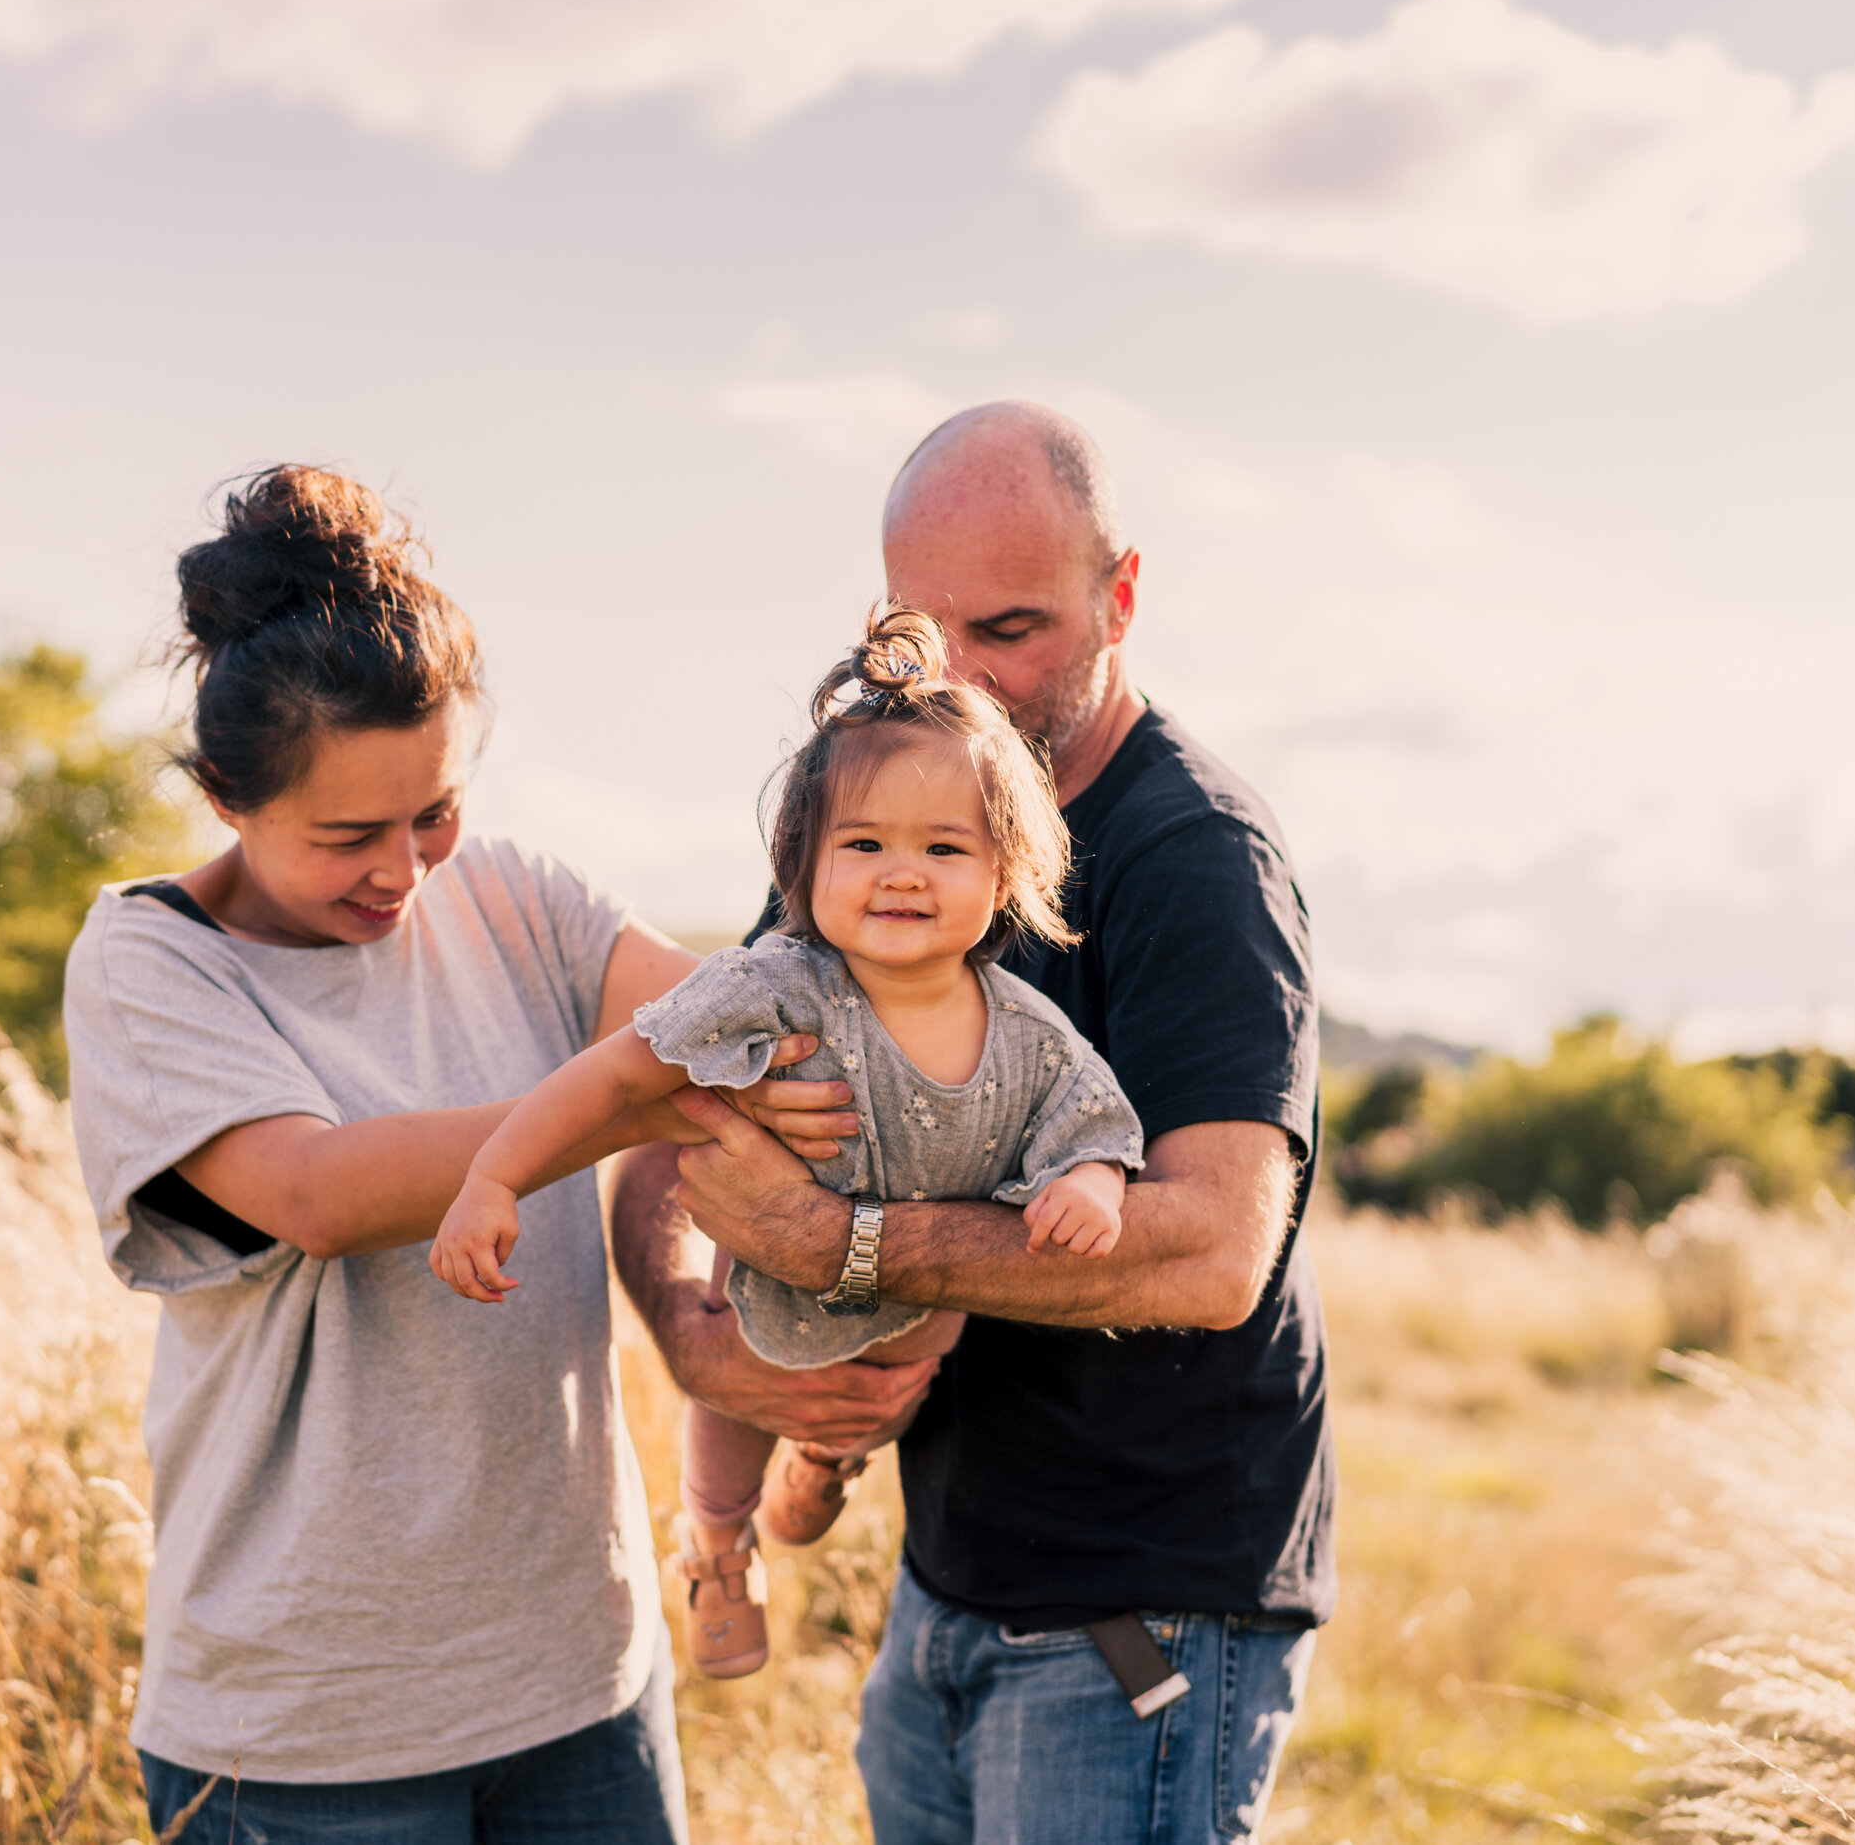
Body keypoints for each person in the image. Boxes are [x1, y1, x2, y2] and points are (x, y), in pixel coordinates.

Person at [613, 403, 1329, 1844]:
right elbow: (669, 1106)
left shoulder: (1196, 857)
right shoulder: (884, 803)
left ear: (1121, 593)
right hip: (947, 1588)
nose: (967, 688)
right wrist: (707, 1345)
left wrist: (841, 1242)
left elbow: (1212, 1251)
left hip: (1141, 1606)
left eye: (1011, 629)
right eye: (920, 637)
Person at [64, 465, 741, 1843]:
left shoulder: (520, 896)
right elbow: (315, 1191)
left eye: (433, 809)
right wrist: (630, 1095)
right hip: (305, 1733)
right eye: (346, 835)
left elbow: (720, 1024)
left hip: (580, 1690)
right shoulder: (149, 960)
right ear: (224, 797)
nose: (405, 868)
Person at [429, 607, 1145, 1683]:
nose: (901, 873)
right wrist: (496, 1176)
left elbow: (1093, 1124)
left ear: (1004, 873)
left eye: (943, 848)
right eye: (864, 845)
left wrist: (1089, 1183)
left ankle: (831, 1451)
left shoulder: (1028, 1032)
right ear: (802, 864)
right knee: (736, 1389)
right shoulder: (770, 984)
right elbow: (617, 1074)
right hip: (761, 1290)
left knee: (890, 1384)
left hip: (916, 1307)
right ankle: (718, 1540)